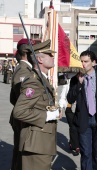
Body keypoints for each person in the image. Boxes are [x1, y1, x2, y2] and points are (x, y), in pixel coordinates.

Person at [13, 39, 62, 170]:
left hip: (41, 143)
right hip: (35, 144)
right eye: (49, 55)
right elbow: (19, 111)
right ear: (40, 59)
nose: (53, 57)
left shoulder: (41, 79)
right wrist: (47, 115)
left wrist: (54, 110)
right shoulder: (34, 82)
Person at [9, 38, 36, 170]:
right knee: (21, 153)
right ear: (27, 52)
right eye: (34, 51)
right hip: (23, 119)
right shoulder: (24, 71)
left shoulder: (26, 69)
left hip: (21, 118)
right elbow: (21, 99)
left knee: (20, 151)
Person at [59, 72, 80, 156]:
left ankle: (72, 142)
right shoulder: (68, 80)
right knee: (73, 126)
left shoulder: (84, 79)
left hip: (79, 108)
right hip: (69, 107)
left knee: (78, 126)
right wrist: (60, 108)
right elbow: (63, 95)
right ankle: (76, 146)